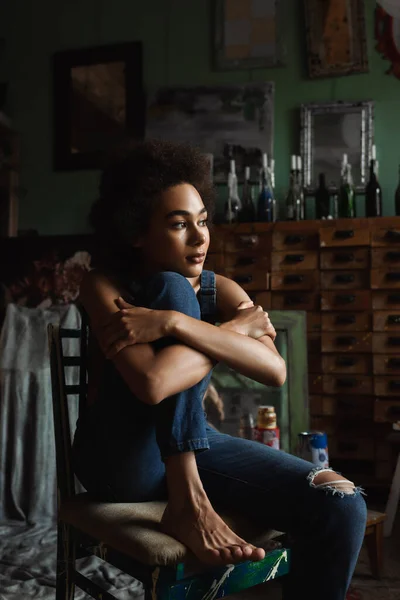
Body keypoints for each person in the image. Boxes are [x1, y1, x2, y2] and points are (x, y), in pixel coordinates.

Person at [73, 139, 367, 600]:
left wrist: (174, 324)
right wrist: (232, 331)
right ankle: (188, 501)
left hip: (194, 442)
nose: (200, 237)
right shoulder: (102, 284)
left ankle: (189, 491)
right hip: (120, 461)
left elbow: (274, 370)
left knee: (341, 503)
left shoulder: (220, 288)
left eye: (203, 221)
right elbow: (153, 383)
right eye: (178, 224)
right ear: (135, 231)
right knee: (172, 288)